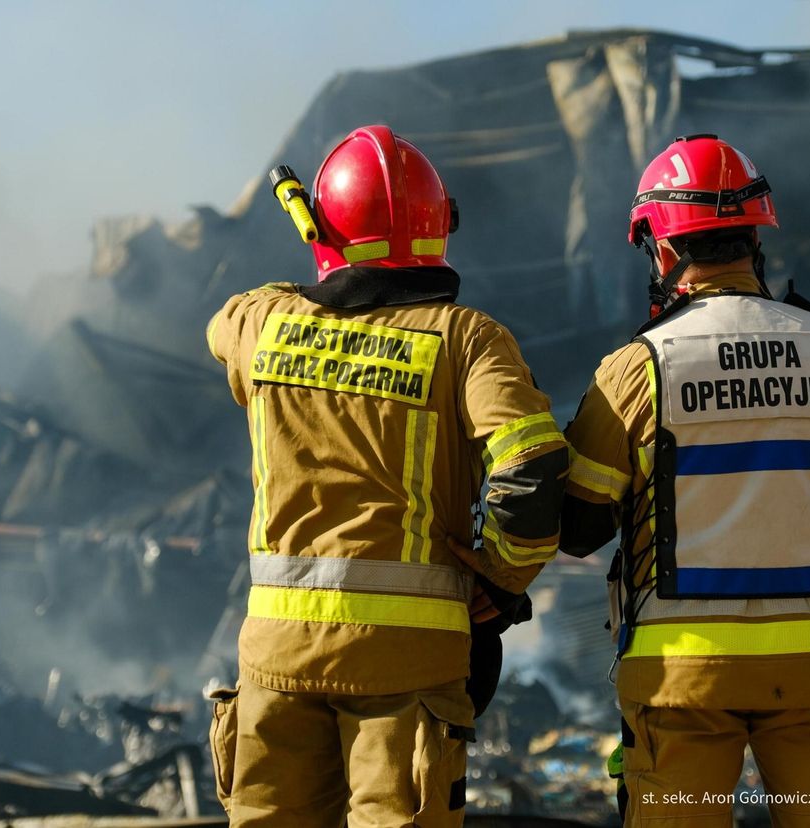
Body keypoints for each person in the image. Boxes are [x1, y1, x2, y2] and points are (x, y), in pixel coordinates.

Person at [206, 124, 567, 828]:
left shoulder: (261, 320)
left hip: (277, 661)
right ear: (438, 230)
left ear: (324, 228)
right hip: (406, 669)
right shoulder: (467, 337)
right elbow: (530, 471)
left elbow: (222, 326)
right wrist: (501, 577)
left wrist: (322, 265)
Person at [561, 134, 810, 827]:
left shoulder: (636, 369)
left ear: (661, 247)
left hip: (685, 680)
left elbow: (579, 527)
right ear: (754, 236)